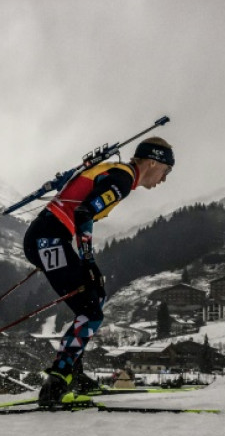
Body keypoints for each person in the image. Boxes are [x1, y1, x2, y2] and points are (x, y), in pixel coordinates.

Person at [22, 136, 174, 407]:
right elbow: (83, 213)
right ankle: (58, 379)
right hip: (48, 239)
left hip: (48, 238)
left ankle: (73, 375)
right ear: (153, 162)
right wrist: (88, 261)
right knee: (91, 308)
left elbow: (82, 212)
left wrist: (83, 260)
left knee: (95, 299)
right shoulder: (123, 179)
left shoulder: (117, 175)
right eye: (166, 171)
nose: (164, 179)